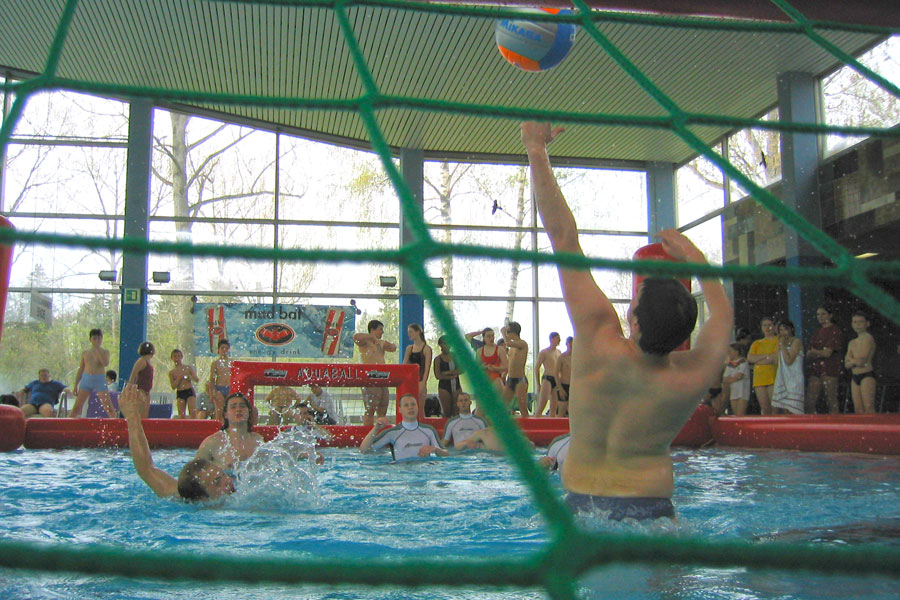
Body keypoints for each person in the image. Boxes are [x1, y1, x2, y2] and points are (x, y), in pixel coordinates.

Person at [522, 121, 732, 521]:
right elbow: (722, 316)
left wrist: (536, 149)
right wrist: (696, 258)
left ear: (633, 322)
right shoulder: (692, 375)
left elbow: (563, 237)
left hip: (581, 510)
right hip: (651, 512)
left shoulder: (597, 337)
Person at [121, 383, 235, 501]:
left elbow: (147, 470)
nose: (228, 481)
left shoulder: (239, 493)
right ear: (202, 499)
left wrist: (133, 417)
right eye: (217, 482)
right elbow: (145, 469)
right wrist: (132, 417)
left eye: (223, 474)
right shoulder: (187, 499)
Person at [359, 394, 448, 460]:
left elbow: (446, 454)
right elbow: (364, 450)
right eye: (406, 405)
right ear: (400, 410)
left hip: (424, 472)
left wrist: (435, 449)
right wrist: (375, 429)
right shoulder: (392, 433)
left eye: (413, 404)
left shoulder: (429, 430)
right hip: (401, 473)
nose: (410, 408)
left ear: (418, 407)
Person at [196, 392, 265, 471]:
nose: (238, 410)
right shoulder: (213, 442)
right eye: (233, 407)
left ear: (249, 412)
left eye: (242, 406)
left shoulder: (257, 440)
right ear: (226, 414)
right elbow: (193, 472)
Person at [354, 320, 398, 426]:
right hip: (370, 377)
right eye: (380, 330)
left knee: (383, 405)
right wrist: (372, 337)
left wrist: (389, 345)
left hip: (382, 377)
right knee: (371, 408)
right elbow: (356, 337)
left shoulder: (380, 343)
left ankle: (381, 430)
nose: (382, 332)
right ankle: (367, 431)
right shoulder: (365, 342)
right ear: (372, 330)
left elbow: (393, 348)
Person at [805, 305, 843, 414]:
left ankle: (835, 423)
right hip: (816, 370)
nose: (820, 317)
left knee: (831, 400)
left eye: (823, 314)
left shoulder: (835, 330)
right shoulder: (817, 332)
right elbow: (808, 354)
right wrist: (819, 352)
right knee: (809, 401)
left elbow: (827, 353)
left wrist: (815, 352)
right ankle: (814, 423)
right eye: (818, 314)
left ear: (830, 315)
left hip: (830, 369)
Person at [70, 328, 115, 418]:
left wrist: (97, 350)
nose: (97, 340)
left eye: (99, 338)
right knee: (77, 408)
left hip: (99, 380)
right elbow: (81, 369)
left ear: (102, 339)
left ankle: (115, 424)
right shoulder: (85, 353)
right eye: (94, 338)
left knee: (109, 407)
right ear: (90, 339)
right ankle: (68, 425)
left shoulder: (105, 352)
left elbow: (105, 363)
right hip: (87, 379)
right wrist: (75, 385)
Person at [845, 311, 877, 414]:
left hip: (866, 375)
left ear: (867, 323)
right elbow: (846, 365)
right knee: (858, 410)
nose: (857, 325)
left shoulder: (868, 338)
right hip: (855, 376)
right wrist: (855, 361)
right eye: (855, 322)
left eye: (860, 322)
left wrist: (852, 360)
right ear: (852, 324)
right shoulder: (852, 342)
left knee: (868, 408)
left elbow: (861, 362)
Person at [771, 319, 804, 415]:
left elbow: (789, 361)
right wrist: (779, 345)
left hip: (794, 379)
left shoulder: (796, 342)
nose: (783, 332)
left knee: (793, 409)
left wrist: (782, 345)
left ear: (791, 329)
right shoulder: (780, 343)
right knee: (784, 409)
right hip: (784, 379)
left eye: (785, 329)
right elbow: (776, 361)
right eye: (781, 330)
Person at [747, 317, 778, 415]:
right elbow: (750, 358)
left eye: (770, 325)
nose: (767, 328)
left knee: (775, 409)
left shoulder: (778, 341)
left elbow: (774, 358)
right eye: (765, 325)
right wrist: (767, 356)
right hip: (759, 379)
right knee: (765, 409)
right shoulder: (757, 343)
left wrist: (758, 360)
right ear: (761, 328)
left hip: (774, 378)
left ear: (774, 327)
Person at [402, 323, 432, 420]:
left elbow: (427, 368)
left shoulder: (426, 349)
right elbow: (404, 366)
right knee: (408, 408)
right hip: (409, 381)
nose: (409, 334)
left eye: (411, 332)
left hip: (420, 380)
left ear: (418, 332)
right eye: (408, 332)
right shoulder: (409, 348)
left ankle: (421, 425)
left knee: (419, 409)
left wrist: (423, 382)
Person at [465, 328, 507, 396]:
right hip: (483, 379)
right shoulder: (479, 350)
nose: (491, 338)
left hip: (496, 378)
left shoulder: (500, 349)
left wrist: (495, 368)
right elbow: (476, 368)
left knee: (499, 400)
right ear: (484, 338)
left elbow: (506, 367)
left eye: (492, 336)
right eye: (488, 336)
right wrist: (482, 367)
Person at [500, 322, 529, 416]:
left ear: (512, 332)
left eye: (508, 332)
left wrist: (503, 332)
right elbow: (511, 363)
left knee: (522, 405)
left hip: (520, 379)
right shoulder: (512, 348)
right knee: (503, 405)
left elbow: (508, 343)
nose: (507, 334)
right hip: (510, 379)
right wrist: (505, 373)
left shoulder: (522, 344)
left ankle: (527, 423)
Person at [433, 335, 463, 418]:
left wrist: (447, 372)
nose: (447, 345)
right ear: (440, 345)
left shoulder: (455, 356)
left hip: (457, 385)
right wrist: (450, 376)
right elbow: (438, 375)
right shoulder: (438, 359)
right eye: (445, 343)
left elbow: (462, 369)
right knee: (447, 411)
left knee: (457, 410)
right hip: (444, 387)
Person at [535, 332, 562, 417]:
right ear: (552, 339)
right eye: (557, 338)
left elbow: (560, 368)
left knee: (554, 407)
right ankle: (536, 420)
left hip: (556, 379)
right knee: (542, 404)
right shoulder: (544, 352)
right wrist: (538, 384)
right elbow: (537, 367)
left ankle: (551, 422)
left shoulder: (559, 352)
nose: (559, 341)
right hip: (547, 378)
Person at [168, 349, 200, 419]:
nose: (177, 358)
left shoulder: (187, 368)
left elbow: (197, 380)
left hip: (189, 391)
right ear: (172, 358)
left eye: (178, 356)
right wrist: (179, 378)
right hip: (180, 392)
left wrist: (190, 377)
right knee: (181, 415)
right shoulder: (172, 372)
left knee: (193, 413)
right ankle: (183, 426)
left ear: (181, 357)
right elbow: (173, 386)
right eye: (175, 356)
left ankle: (194, 425)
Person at [128, 342, 156, 419]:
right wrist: (129, 389)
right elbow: (133, 375)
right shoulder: (141, 361)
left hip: (147, 391)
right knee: (140, 414)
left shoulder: (148, 361)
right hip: (141, 390)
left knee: (145, 416)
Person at [722, 343, 750, 416]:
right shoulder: (730, 364)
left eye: (730, 351)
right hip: (733, 391)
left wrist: (731, 379)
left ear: (736, 352)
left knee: (741, 414)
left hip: (742, 391)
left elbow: (739, 376)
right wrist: (733, 378)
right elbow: (724, 379)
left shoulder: (743, 362)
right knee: (735, 415)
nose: (728, 354)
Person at [208, 339, 232, 421]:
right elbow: (212, 379)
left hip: (229, 388)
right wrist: (211, 393)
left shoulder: (232, 362)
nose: (224, 350)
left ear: (228, 350)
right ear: (218, 350)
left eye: (226, 348)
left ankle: (228, 427)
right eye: (222, 348)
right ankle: (219, 426)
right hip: (219, 388)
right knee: (219, 411)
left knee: (229, 411)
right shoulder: (215, 363)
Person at [555, 336, 573, 417]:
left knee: (573, 411)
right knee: (562, 410)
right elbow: (556, 373)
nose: (571, 346)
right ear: (566, 344)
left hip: (573, 386)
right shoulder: (562, 357)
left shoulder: (576, 358)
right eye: (570, 344)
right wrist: (560, 388)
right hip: (564, 385)